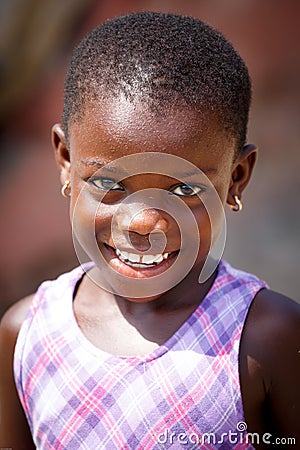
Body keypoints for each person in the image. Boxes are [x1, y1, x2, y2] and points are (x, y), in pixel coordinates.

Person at [0, 12, 299, 450]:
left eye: (183, 189)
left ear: (236, 179)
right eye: (107, 183)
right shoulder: (25, 335)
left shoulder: (265, 339)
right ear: (65, 161)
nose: (144, 223)